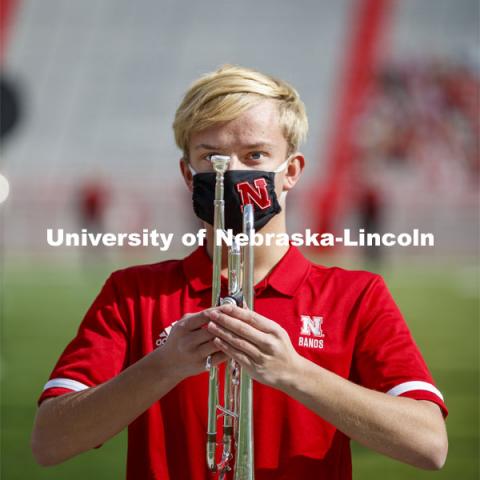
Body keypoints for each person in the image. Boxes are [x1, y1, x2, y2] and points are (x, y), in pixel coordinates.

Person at [31, 65, 448, 480]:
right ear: (187, 174)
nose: (229, 172)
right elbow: (50, 442)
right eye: (211, 157)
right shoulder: (132, 292)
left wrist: (294, 371)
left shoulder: (357, 294)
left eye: (255, 155)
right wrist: (164, 366)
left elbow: (429, 444)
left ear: (291, 172)